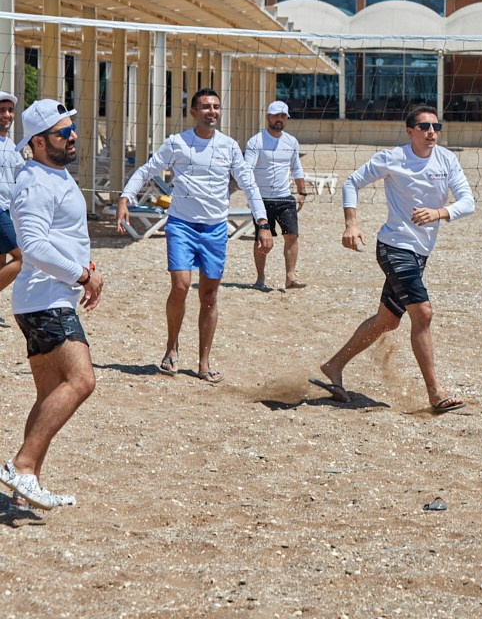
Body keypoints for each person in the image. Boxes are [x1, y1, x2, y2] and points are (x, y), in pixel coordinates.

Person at [313, 105, 474, 411]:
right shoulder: (393, 158)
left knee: (387, 321)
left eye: (436, 127)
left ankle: (333, 365)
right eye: (424, 127)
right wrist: (351, 222)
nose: (432, 132)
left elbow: (468, 201)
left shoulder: (447, 159)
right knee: (423, 313)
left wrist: (440, 212)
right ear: (410, 131)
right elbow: (351, 182)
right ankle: (435, 393)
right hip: (394, 246)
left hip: (420, 251)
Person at [116, 88, 271, 384]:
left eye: (216, 107)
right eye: (205, 107)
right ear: (193, 112)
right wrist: (125, 198)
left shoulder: (229, 146)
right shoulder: (177, 143)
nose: (211, 111)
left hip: (214, 228)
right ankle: (171, 347)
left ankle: (204, 361)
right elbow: (147, 170)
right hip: (181, 225)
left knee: (209, 295)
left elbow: (249, 185)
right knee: (181, 285)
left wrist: (262, 223)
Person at [0, 99, 103, 510]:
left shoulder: (52, 174)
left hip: (48, 297)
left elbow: (61, 237)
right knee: (82, 381)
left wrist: (85, 267)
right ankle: (22, 465)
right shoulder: (37, 182)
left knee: (47, 395)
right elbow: (34, 247)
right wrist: (82, 275)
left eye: (72, 128)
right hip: (46, 300)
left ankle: (23, 491)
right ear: (39, 143)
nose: (73, 135)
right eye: (64, 132)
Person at [244, 100, 307, 290]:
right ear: (268, 117)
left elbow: (297, 168)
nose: (280, 119)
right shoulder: (256, 141)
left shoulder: (291, 141)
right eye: (276, 115)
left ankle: (290, 277)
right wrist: (251, 197)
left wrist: (302, 192)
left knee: (292, 236)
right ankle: (260, 278)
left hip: (284, 196)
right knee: (262, 241)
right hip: (261, 198)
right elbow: (247, 170)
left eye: (283, 116)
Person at [0, 92, 24, 327]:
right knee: (23, 257)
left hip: (7, 210)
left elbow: (22, 177)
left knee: (2, 260)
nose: (7, 114)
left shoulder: (12, 146)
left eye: (9, 110)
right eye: (2, 110)